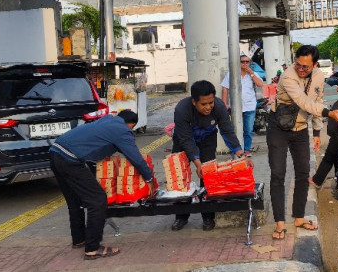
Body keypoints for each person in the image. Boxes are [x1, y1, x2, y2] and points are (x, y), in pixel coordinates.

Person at [49, 110, 151, 260]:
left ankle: (79, 240)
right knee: (97, 200)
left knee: (75, 201)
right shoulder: (122, 130)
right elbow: (135, 158)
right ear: (131, 125)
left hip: (55, 152)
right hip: (70, 160)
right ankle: (92, 248)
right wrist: (149, 179)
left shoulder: (107, 121)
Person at [269, 45, 338, 240]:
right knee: (278, 174)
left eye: (306, 66)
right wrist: (329, 113)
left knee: (303, 172)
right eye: (298, 64)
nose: (301, 69)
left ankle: (299, 217)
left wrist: (317, 131)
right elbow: (304, 102)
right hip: (278, 128)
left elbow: (317, 101)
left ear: (315, 64)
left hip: (301, 128)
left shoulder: (319, 76)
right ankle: (279, 223)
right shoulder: (288, 76)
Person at [171, 80, 244, 231]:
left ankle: (208, 217)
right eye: (203, 104)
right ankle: (181, 216)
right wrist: (197, 163)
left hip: (207, 140)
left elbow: (227, 130)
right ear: (194, 102)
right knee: (179, 177)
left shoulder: (219, 107)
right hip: (183, 141)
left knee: (208, 176)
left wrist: (240, 154)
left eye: (210, 103)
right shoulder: (181, 110)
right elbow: (186, 140)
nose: (208, 107)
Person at [221, 54, 265, 157]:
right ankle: (235, 151)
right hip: (235, 107)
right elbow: (224, 89)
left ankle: (247, 150)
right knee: (235, 130)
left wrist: (252, 74)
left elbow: (260, 84)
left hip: (249, 106)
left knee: (248, 130)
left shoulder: (253, 74)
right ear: (238, 63)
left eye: (247, 61)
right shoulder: (232, 74)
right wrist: (225, 104)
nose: (245, 63)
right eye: (242, 61)